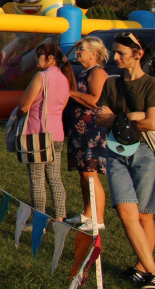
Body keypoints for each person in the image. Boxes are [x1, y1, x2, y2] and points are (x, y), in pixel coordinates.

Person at [94, 32, 155, 289]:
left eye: (121, 53)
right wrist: (132, 116)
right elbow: (99, 117)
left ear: (137, 55)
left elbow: (152, 122)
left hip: (145, 152)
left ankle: (143, 269)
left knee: (144, 216)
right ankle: (153, 271)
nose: (115, 56)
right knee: (124, 211)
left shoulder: (151, 84)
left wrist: (117, 118)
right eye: (115, 52)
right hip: (116, 150)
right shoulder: (111, 83)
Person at [15, 42, 72, 222]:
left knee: (37, 179)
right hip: (57, 134)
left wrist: (18, 113)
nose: (36, 58)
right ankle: (60, 218)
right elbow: (62, 106)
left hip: (37, 134)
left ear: (50, 58)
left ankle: (40, 221)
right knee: (55, 178)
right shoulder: (65, 79)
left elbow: (24, 105)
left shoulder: (41, 76)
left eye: (39, 54)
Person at [64, 36, 109, 231]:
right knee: (83, 173)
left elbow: (95, 100)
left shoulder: (98, 73)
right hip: (79, 130)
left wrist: (72, 93)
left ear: (94, 54)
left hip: (92, 131)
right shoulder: (84, 71)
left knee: (91, 174)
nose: (78, 52)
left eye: (82, 49)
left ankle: (98, 219)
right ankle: (87, 213)